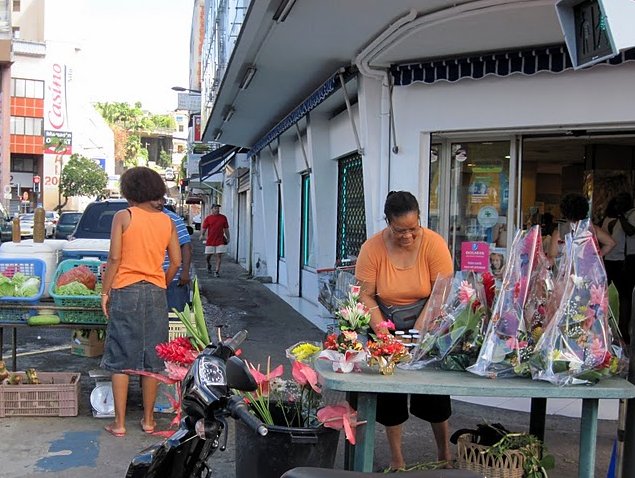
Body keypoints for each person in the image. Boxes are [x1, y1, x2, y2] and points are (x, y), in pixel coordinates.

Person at [355, 191, 454, 470]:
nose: (408, 236)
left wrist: (417, 335)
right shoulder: (372, 248)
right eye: (400, 230)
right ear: (388, 222)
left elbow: (440, 293)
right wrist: (384, 335)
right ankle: (397, 457)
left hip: (427, 317)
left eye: (413, 228)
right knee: (389, 393)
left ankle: (444, 450)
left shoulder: (434, 244)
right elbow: (365, 295)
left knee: (433, 392)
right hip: (385, 319)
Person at [99, 167, 181, 437]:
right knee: (152, 357)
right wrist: (162, 283)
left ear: (130, 191)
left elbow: (114, 259)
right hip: (156, 292)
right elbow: (177, 262)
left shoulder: (124, 216)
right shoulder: (167, 221)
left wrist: (105, 291)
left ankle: (120, 424)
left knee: (122, 356)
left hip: (126, 289)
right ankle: (148, 421)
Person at [602, 192, 635, 343]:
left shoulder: (631, 216)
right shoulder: (610, 219)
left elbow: (631, 231)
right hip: (610, 260)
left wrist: (622, 217)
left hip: (624, 260)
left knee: (625, 295)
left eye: (621, 202)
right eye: (617, 203)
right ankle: (604, 325)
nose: (618, 205)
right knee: (603, 293)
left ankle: (623, 330)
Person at [548, 192, 616, 266]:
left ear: (564, 211)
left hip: (565, 274)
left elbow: (552, 257)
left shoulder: (560, 231)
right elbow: (611, 243)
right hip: (587, 272)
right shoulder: (591, 228)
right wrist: (596, 257)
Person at [159, 201, 192, 312]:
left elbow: (186, 246)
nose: (158, 202)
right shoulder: (142, 218)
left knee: (175, 319)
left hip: (174, 279)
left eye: (160, 199)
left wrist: (185, 272)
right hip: (152, 280)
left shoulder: (173, 218)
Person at [201, 203, 229, 277]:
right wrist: (202, 234)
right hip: (210, 240)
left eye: (218, 208)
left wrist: (228, 237)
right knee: (208, 256)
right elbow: (204, 228)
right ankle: (208, 264)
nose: (217, 209)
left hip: (220, 240)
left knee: (218, 255)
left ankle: (217, 271)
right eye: (215, 208)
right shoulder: (208, 218)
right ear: (212, 209)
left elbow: (226, 228)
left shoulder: (223, 218)